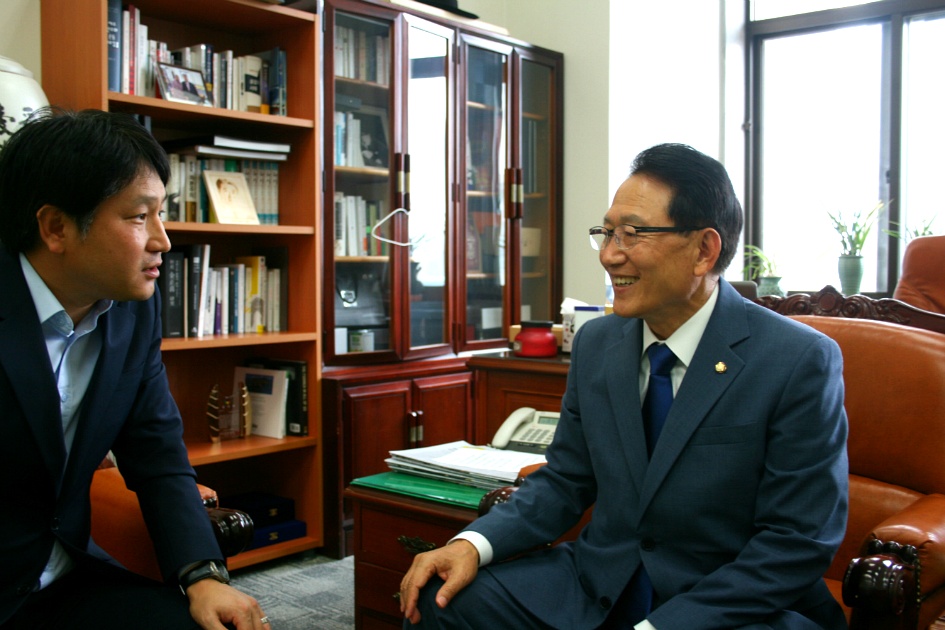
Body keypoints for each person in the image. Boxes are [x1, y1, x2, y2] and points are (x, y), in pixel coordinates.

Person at [399, 143, 849, 629]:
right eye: (607, 232)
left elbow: (795, 540)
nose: (610, 256)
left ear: (704, 250)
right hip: (599, 580)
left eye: (632, 234)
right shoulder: (598, 343)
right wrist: (471, 544)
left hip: (728, 601)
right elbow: (566, 480)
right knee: (439, 604)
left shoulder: (797, 359)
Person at [0, 108, 270, 630]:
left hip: (62, 579)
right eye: (138, 216)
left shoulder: (132, 309)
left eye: (161, 214)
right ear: (56, 227)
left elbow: (156, 452)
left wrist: (202, 574)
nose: (162, 241)